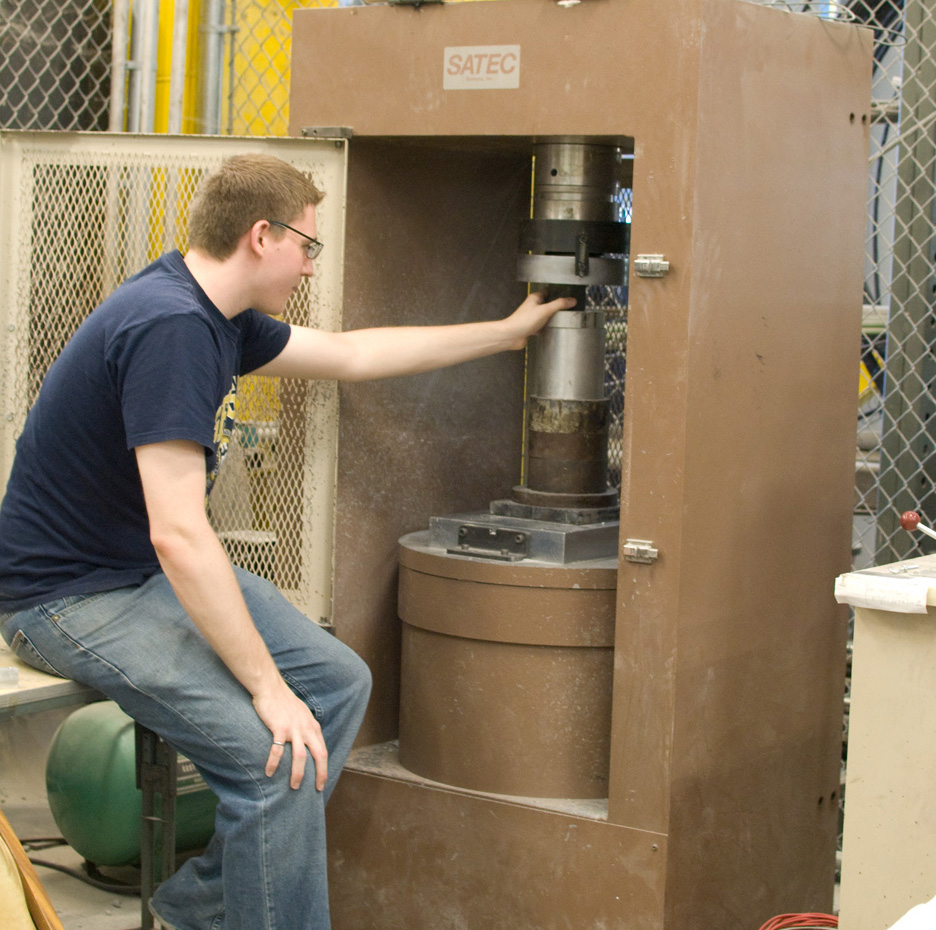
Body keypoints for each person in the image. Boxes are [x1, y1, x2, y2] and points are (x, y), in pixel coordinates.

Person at [0, 153, 574, 930]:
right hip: (66, 598)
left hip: (135, 575)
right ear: (260, 236)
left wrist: (507, 334)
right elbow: (177, 533)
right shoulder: (171, 327)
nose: (310, 265)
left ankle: (196, 910)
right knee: (272, 760)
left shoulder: (213, 312)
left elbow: (350, 356)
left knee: (337, 686)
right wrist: (268, 690)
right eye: (308, 245)